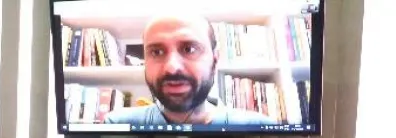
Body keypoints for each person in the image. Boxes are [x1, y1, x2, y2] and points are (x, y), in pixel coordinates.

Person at [104, 15, 276, 127]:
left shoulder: (261, 128)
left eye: (189, 49)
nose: (172, 67)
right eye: (156, 52)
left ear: (215, 60)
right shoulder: (117, 124)